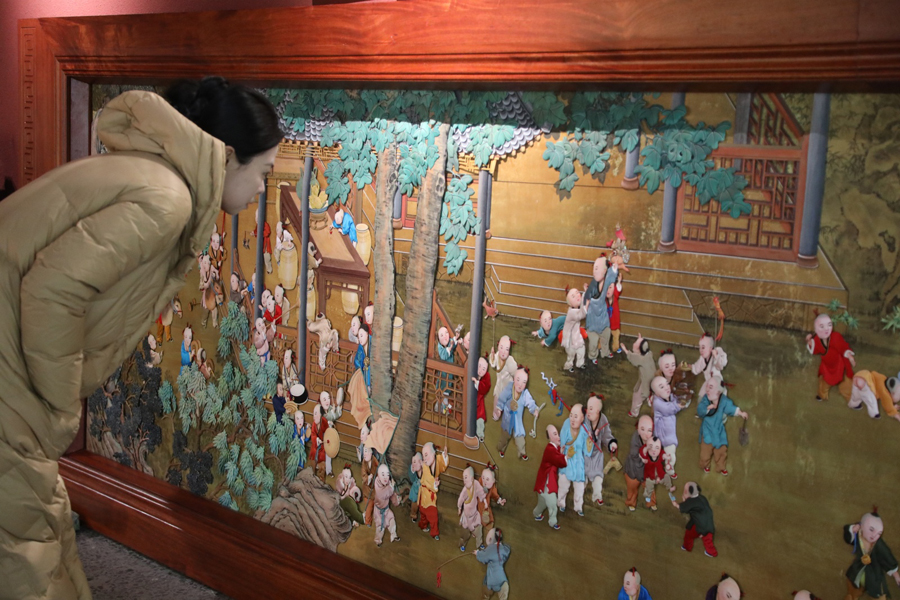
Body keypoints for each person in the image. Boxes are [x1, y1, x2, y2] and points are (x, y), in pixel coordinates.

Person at [0, 76, 282, 600]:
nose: (262, 188)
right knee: (23, 546)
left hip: (13, 354)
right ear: (228, 156)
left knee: (36, 522)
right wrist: (58, 404)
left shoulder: (154, 178)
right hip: (10, 365)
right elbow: (50, 292)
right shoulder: (166, 201)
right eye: (263, 171)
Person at [844, 509, 900, 600]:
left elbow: (887, 557)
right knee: (852, 594)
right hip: (857, 570)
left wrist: (896, 575)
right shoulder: (858, 535)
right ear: (861, 526)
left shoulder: (878, 544)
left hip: (874, 574)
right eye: (871, 530)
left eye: (879, 533)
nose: (874, 536)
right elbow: (848, 536)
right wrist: (853, 529)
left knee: (879, 596)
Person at [697, 376, 748, 476]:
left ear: (718, 392)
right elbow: (700, 410)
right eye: (707, 386)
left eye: (711, 387)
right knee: (705, 453)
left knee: (721, 450)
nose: (707, 390)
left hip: (719, 429)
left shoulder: (723, 401)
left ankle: (721, 467)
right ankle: (705, 465)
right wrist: (708, 408)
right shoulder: (705, 400)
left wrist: (741, 413)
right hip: (707, 431)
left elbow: (730, 407)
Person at [533, 424, 567, 530]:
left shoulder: (552, 448)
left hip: (542, 483)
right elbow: (559, 461)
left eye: (558, 434)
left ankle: (536, 514)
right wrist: (567, 456)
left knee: (542, 503)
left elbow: (555, 457)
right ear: (550, 437)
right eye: (555, 434)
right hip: (546, 485)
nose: (558, 437)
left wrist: (560, 452)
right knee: (553, 504)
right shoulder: (550, 449)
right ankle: (553, 522)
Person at [672, 481, 717, 558]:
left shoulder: (691, 501)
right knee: (707, 539)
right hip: (708, 523)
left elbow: (683, 508)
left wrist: (675, 504)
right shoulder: (702, 498)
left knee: (689, 535)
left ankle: (687, 547)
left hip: (698, 524)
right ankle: (712, 552)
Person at [475, 528, 510, 600]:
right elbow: (507, 549)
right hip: (502, 580)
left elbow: (483, 557)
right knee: (503, 596)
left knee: (485, 593)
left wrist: (477, 553)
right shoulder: (504, 549)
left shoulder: (491, 549)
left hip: (491, 581)